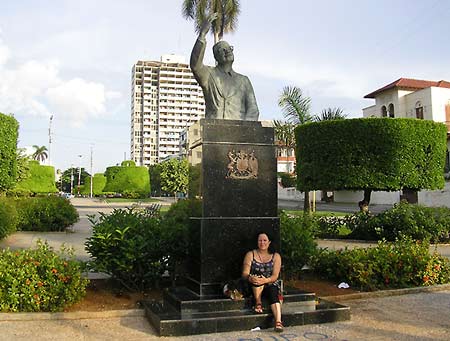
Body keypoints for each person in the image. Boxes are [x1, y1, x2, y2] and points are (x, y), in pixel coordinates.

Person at [190, 13, 259, 121]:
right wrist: (202, 35)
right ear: (216, 57)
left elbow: (253, 110)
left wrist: (244, 130)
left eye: (229, 48)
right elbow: (195, 65)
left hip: (240, 132)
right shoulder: (209, 74)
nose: (227, 51)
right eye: (222, 50)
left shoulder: (244, 81)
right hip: (213, 131)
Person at [242, 232, 283, 332]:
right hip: (253, 285)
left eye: (265, 240)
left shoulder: (276, 256)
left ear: (269, 242)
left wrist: (266, 280)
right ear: (257, 242)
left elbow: (275, 276)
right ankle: (258, 302)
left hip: (270, 284)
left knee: (273, 293)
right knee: (256, 278)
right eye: (260, 240)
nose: (262, 242)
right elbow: (244, 273)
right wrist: (250, 278)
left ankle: (278, 321)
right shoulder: (250, 254)